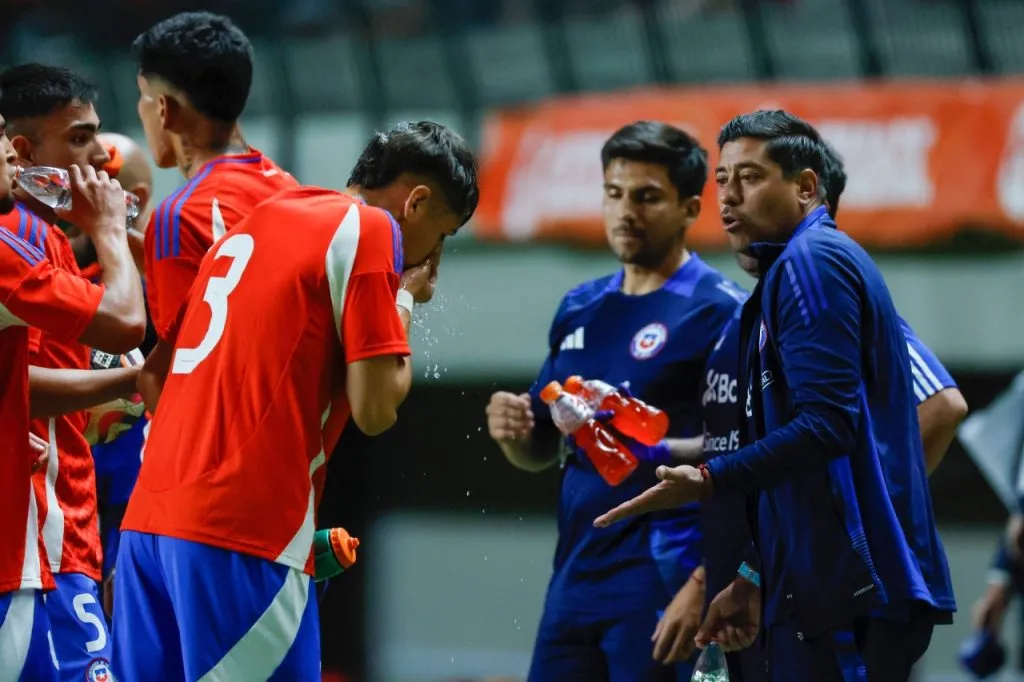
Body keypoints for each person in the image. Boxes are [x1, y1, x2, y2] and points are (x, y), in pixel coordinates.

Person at [595, 110, 956, 682]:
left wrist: (712, 481)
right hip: (808, 585)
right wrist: (755, 573)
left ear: (806, 187)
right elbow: (787, 454)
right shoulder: (778, 287)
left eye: (750, 178)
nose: (728, 197)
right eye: (722, 181)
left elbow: (832, 425)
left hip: (846, 591)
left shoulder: (814, 263)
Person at [112, 120, 477, 681]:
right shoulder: (372, 229)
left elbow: (155, 378)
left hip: (148, 528)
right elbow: (376, 408)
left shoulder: (259, 220)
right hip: (241, 532)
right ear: (417, 203)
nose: (436, 259)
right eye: (443, 235)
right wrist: (403, 297)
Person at [486, 121, 744, 682]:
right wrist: (514, 434)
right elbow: (542, 450)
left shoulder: (720, 311)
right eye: (614, 193)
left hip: (661, 572)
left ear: (689, 208)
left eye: (647, 197)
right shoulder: (580, 307)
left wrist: (705, 582)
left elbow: (748, 452)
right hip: (575, 575)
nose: (626, 210)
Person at [0, 63, 150, 680]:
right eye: (82, 139)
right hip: (38, 538)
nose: (102, 162)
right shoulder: (18, 239)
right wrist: (127, 382)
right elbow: (122, 325)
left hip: (61, 532)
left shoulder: (46, 238)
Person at [133, 11, 297, 347]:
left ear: (164, 109)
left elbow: (186, 367)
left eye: (143, 95)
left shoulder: (178, 217)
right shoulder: (288, 187)